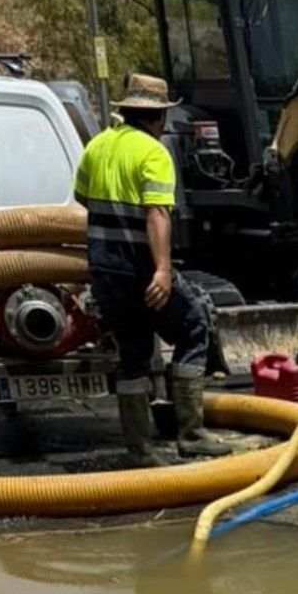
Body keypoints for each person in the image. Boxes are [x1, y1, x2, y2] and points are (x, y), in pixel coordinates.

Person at [73, 73, 228, 466]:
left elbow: (82, 197)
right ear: (158, 116)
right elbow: (157, 213)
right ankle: (191, 433)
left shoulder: (97, 146)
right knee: (194, 325)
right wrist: (161, 269)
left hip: (105, 269)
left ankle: (139, 448)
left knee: (134, 351)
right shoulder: (153, 153)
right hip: (141, 267)